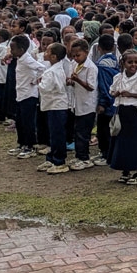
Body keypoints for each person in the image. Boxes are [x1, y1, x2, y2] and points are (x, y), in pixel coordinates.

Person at [110, 50, 137, 184]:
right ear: (123, 63)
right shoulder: (118, 77)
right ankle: (125, 170)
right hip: (121, 111)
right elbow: (111, 91)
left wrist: (130, 94)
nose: (133, 65)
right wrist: (116, 93)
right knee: (122, 142)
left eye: (136, 62)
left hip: (136, 112)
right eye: (130, 62)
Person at [36, 43, 71, 175]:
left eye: (48, 51)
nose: (45, 52)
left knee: (57, 134)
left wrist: (39, 83)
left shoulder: (52, 71)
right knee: (53, 133)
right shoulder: (53, 69)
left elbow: (46, 88)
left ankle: (59, 161)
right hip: (53, 105)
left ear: (54, 56)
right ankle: (51, 158)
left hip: (56, 106)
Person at [65, 39, 98, 171]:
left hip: (87, 105)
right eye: (73, 55)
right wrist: (70, 81)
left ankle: (84, 158)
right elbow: (72, 81)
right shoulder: (74, 64)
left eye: (78, 55)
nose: (76, 58)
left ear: (86, 52)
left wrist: (77, 79)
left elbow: (91, 87)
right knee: (77, 131)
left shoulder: (91, 68)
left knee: (83, 133)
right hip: (77, 103)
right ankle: (79, 155)